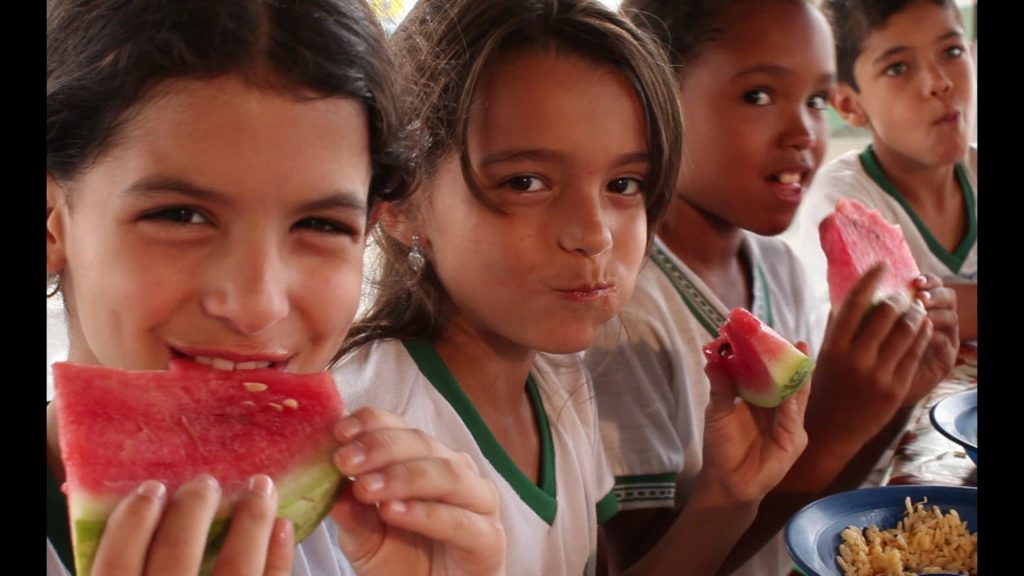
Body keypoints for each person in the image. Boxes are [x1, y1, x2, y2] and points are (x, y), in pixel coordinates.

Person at [332, 1, 813, 574]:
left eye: (624, 183)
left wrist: (729, 495)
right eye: (527, 182)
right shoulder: (365, 429)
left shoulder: (557, 376)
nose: (594, 234)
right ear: (403, 202)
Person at [45, 0, 504, 574]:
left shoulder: (362, 532)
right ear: (52, 220)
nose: (258, 305)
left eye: (320, 225)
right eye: (181, 216)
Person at [586, 1, 960, 573]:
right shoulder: (623, 316)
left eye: (815, 100)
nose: (805, 133)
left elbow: (818, 500)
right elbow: (643, 563)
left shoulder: (779, 266)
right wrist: (830, 432)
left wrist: (895, 396)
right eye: (759, 95)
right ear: (654, 100)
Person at [795, 0, 977, 344]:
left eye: (952, 51)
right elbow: (873, 331)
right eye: (898, 68)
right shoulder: (842, 201)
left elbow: (910, 312)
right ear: (849, 105)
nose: (939, 83)